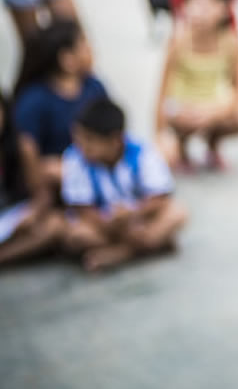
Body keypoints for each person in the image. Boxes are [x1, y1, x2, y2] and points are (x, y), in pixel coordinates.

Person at [62, 98, 187, 272]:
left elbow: (160, 197)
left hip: (138, 219)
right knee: (77, 236)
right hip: (103, 225)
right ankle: (150, 246)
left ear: (115, 140)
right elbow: (82, 209)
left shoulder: (142, 151)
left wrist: (134, 213)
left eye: (90, 140)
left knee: (177, 213)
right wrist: (112, 225)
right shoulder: (75, 158)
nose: (83, 146)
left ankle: (121, 253)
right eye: (80, 139)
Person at [154, 0, 238, 172]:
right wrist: (159, 136)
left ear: (224, 9)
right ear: (184, 8)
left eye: (207, 6)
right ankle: (182, 149)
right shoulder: (178, 42)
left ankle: (213, 144)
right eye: (196, 5)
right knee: (175, 113)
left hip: (213, 104)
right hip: (183, 106)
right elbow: (162, 92)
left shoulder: (230, 43)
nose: (200, 13)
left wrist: (215, 112)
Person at [14, 19, 107, 201]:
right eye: (83, 43)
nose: (90, 49)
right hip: (54, 186)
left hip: (96, 172)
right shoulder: (35, 99)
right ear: (67, 59)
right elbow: (27, 153)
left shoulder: (94, 87)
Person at [0, 90, 64, 266]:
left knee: (55, 225)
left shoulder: (21, 147)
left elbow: (42, 195)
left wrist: (31, 213)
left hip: (12, 220)